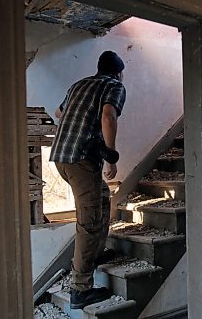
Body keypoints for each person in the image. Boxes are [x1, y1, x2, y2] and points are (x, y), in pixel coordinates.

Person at [50, 51, 126, 309]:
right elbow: (108, 115)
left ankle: (94, 254)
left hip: (61, 156)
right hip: (81, 159)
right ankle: (80, 290)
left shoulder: (79, 84)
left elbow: (59, 113)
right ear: (118, 72)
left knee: (103, 198)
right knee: (89, 220)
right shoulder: (114, 86)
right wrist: (111, 157)